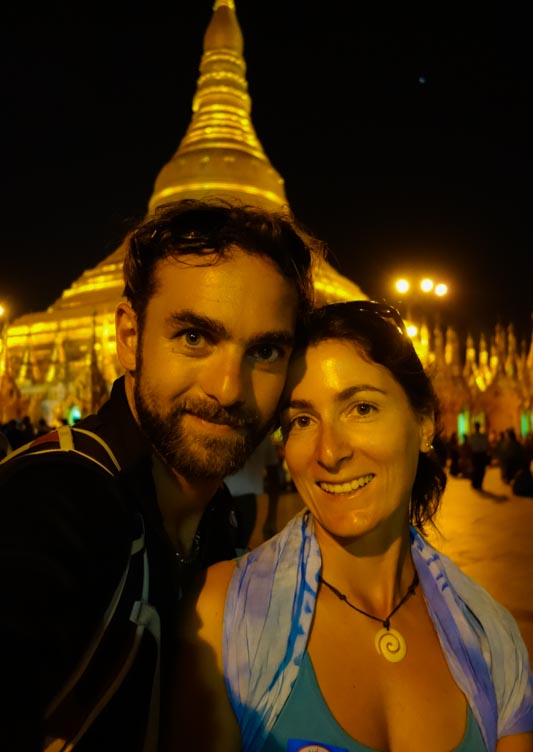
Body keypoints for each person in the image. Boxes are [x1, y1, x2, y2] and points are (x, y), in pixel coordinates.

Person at [0, 197, 317, 752]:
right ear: (128, 337)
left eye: (264, 350)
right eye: (194, 337)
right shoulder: (64, 496)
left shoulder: (216, 524)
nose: (228, 389)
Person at [174, 300, 533, 752]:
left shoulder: (490, 637)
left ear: (424, 424)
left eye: (361, 408)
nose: (330, 451)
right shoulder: (222, 615)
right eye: (302, 420)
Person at [224, 432, 283, 549]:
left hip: (222, 498)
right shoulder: (262, 436)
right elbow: (273, 477)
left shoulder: (225, 430)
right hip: (247, 502)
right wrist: (271, 517)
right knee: (238, 549)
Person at [469, 420, 490, 491]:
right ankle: (478, 484)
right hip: (480, 454)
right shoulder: (482, 436)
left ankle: (477, 484)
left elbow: (471, 446)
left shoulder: (473, 437)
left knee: (478, 470)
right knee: (480, 470)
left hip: (477, 455)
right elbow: (486, 446)